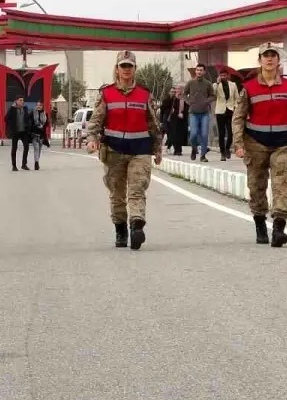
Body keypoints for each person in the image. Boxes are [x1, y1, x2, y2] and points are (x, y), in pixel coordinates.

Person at [85, 50, 163, 250]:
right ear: (117, 69)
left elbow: (153, 123)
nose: (126, 69)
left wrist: (157, 148)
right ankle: (121, 229)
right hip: (114, 151)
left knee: (137, 189)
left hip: (140, 150)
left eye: (130, 66)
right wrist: (92, 139)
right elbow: (96, 120)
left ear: (135, 69)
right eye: (123, 66)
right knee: (117, 193)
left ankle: (137, 225)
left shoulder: (144, 94)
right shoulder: (107, 93)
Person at [232, 42, 287, 248]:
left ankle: (279, 229)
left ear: (278, 60)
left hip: (283, 143)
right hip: (256, 143)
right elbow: (238, 118)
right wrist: (238, 143)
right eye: (266, 55)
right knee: (257, 187)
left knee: (282, 184)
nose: (270, 58)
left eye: (273, 55)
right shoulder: (249, 88)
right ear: (260, 60)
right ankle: (260, 225)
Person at [182, 63, 216, 162]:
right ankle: (194, 148)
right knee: (193, 134)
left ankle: (203, 156)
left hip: (205, 113)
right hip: (193, 113)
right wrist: (189, 101)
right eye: (197, 70)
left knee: (204, 134)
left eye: (201, 70)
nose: (199, 72)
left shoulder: (208, 84)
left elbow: (213, 96)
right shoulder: (190, 83)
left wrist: (206, 101)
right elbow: (184, 94)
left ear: (204, 72)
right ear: (195, 71)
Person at [214, 67, 239, 161]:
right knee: (221, 133)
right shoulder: (216, 85)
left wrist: (236, 107)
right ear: (219, 76)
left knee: (231, 132)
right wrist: (217, 83)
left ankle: (227, 148)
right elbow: (213, 94)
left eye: (224, 75)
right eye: (221, 75)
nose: (223, 77)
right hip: (220, 111)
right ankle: (222, 153)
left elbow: (236, 97)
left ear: (227, 76)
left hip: (230, 110)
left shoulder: (233, 85)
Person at [5, 96, 32, 170]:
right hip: (15, 132)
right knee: (14, 148)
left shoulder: (25, 108)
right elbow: (6, 118)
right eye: (20, 100)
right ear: (16, 101)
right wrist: (11, 127)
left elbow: (28, 118)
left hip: (24, 132)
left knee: (26, 147)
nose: (22, 102)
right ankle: (14, 166)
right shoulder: (12, 109)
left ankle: (24, 164)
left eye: (23, 100)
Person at [29, 103, 49, 170]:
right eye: (37, 105)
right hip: (34, 133)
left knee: (39, 149)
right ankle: (36, 163)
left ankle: (37, 161)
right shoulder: (32, 113)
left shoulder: (45, 114)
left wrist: (42, 125)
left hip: (41, 134)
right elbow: (30, 122)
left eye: (40, 105)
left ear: (42, 106)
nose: (38, 106)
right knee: (36, 148)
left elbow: (47, 124)